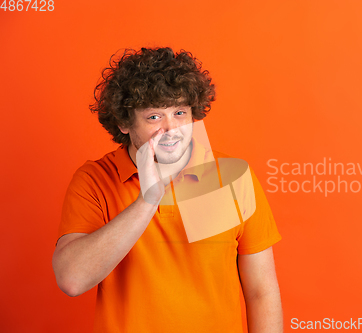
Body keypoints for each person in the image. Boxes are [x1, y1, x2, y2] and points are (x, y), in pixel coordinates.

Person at [52, 47, 283, 333]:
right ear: (124, 122)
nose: (171, 128)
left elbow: (261, 291)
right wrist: (147, 200)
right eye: (154, 117)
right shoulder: (95, 180)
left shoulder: (231, 176)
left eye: (179, 112)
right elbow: (72, 280)